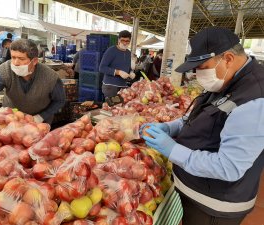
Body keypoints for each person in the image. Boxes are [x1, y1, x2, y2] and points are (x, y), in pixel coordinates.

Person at [140, 27, 264, 225]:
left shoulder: (255, 99)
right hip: (196, 191)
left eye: (202, 66)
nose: (198, 73)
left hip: (215, 206)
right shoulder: (227, 81)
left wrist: (173, 150)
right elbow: (201, 117)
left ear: (228, 59)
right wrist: (172, 127)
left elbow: (229, 167)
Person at [0, 39, 65, 124]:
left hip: (39, 124)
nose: (16, 63)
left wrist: (41, 116)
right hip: (9, 121)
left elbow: (59, 101)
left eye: (21, 59)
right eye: (13, 57)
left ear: (34, 61)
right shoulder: (5, 70)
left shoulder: (51, 77)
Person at [99, 30, 135, 98]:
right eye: (122, 40)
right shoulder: (111, 50)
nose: (125, 43)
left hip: (123, 86)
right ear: (118, 40)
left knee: (121, 107)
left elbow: (128, 68)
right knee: (112, 107)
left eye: (127, 41)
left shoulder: (128, 53)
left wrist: (131, 72)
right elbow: (102, 68)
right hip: (110, 86)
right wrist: (118, 72)